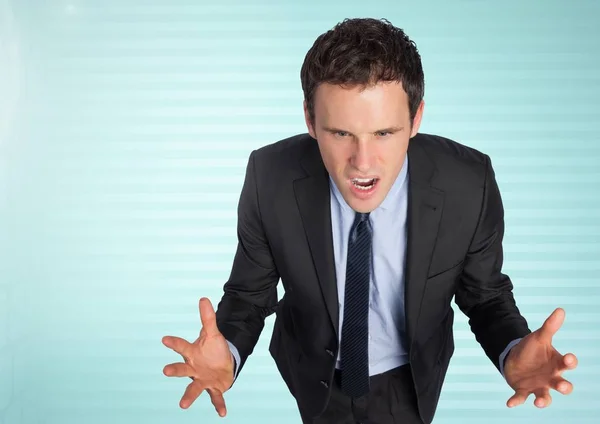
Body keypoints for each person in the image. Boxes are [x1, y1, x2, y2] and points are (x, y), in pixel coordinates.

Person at [161, 17, 578, 423]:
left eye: (384, 133)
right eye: (341, 133)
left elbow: (484, 297)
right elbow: (249, 296)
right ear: (310, 120)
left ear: (416, 119)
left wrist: (512, 349)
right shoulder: (269, 176)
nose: (363, 164)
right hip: (311, 373)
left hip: (410, 380)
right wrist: (229, 355)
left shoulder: (469, 183)